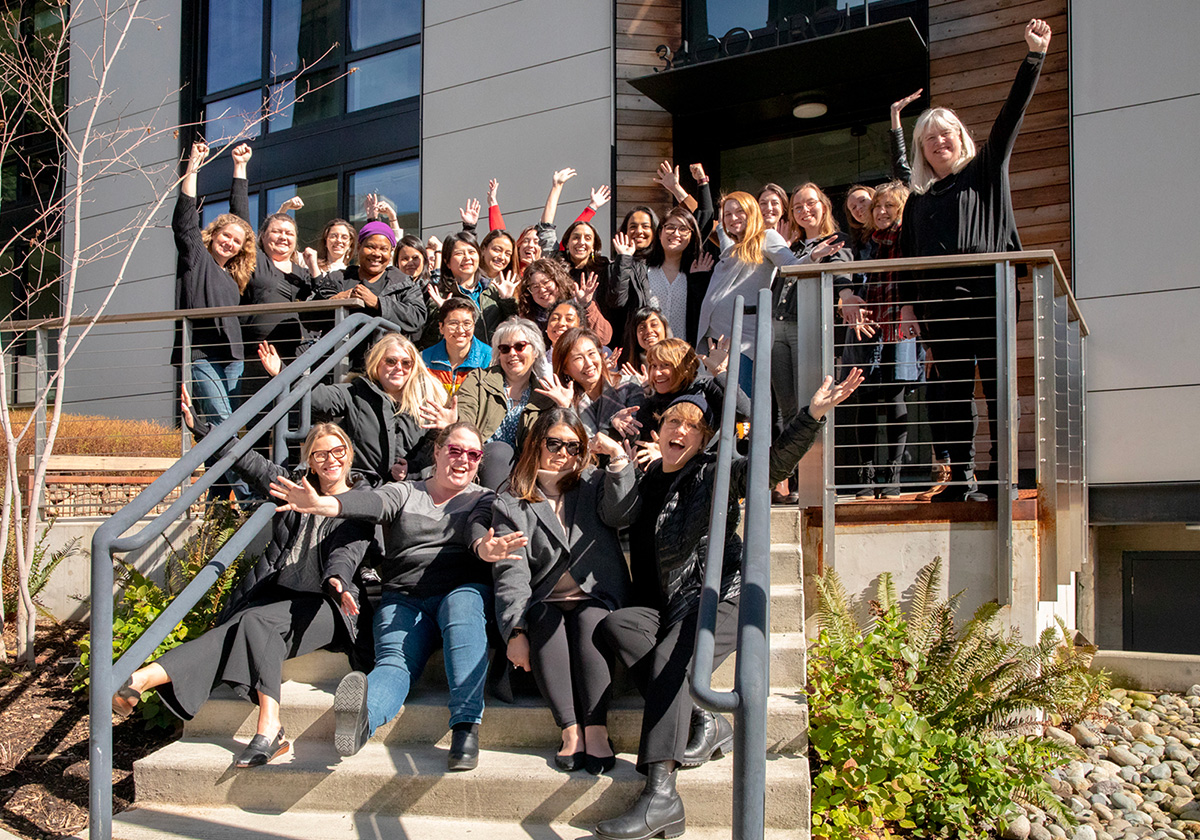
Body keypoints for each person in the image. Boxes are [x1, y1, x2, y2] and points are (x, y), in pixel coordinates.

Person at [592, 369, 863, 840]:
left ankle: (661, 796)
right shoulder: (650, 475)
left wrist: (812, 415)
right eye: (674, 422)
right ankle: (703, 717)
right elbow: (617, 514)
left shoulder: (713, 474)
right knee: (615, 625)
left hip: (719, 596)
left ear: (705, 440)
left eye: (693, 427)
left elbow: (769, 466)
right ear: (659, 431)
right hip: (673, 602)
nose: (680, 431)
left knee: (674, 663)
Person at [112, 409, 375, 768]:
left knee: (252, 623)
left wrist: (338, 580)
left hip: (329, 605)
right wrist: (201, 428)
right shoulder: (293, 486)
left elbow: (348, 550)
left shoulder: (361, 501)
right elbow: (249, 462)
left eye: (338, 451)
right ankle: (140, 680)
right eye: (321, 453)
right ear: (310, 461)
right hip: (282, 596)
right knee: (239, 626)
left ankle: (270, 725)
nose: (331, 460)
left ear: (350, 454)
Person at [270, 422, 497, 771]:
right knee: (393, 663)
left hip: (459, 591)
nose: (463, 460)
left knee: (464, 607)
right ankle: (361, 719)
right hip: (404, 597)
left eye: (473, 454)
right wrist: (326, 504)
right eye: (454, 450)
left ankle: (466, 728)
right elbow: (371, 502)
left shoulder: (482, 498)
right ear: (436, 452)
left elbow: (477, 530)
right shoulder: (405, 491)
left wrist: (484, 547)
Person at [900, 18, 1052, 501]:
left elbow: (1010, 116)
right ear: (922, 150)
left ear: (959, 137)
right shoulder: (917, 200)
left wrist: (1034, 57)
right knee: (951, 395)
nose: (939, 142)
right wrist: (907, 307)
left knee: (997, 389)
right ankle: (960, 478)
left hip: (989, 295)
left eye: (945, 133)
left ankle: (998, 476)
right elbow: (906, 259)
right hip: (938, 306)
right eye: (929, 137)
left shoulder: (984, 171)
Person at [481, 408, 633, 774]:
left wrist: (618, 459)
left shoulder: (595, 483)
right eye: (554, 444)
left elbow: (622, 514)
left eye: (573, 446)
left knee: (590, 624)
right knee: (545, 623)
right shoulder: (511, 501)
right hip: (544, 597)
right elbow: (511, 572)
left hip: (593, 593)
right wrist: (515, 631)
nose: (563, 454)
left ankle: (596, 729)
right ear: (536, 445)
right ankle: (570, 729)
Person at [173, 140, 256, 501]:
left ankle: (219, 501)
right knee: (222, 424)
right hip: (202, 353)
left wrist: (240, 169)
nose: (230, 242)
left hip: (234, 358)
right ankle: (251, 494)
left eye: (237, 241)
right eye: (225, 235)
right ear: (213, 235)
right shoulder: (197, 260)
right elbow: (185, 218)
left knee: (223, 427)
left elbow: (243, 220)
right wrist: (193, 164)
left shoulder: (235, 276)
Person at [696, 192, 837, 397]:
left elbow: (791, 266)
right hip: (715, 338)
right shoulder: (731, 246)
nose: (733, 218)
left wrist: (814, 255)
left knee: (739, 403)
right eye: (728, 214)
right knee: (716, 404)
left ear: (752, 213)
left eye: (739, 212)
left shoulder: (767, 237)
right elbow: (714, 223)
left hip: (743, 340)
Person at [259, 332, 442, 486]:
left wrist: (411, 469)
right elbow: (319, 398)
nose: (398, 368)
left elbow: (432, 449)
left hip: (410, 490)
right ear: (377, 363)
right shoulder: (356, 392)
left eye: (406, 363)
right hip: (365, 489)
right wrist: (282, 373)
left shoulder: (427, 400)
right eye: (391, 361)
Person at [844, 180, 916, 498]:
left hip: (898, 326)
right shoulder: (868, 242)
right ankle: (867, 475)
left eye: (889, 206)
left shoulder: (906, 238)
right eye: (878, 207)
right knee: (866, 398)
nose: (882, 211)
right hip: (870, 328)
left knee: (895, 397)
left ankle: (894, 475)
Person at [423, 317, 556, 490]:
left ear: (536, 351)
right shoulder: (478, 380)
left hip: (527, 472)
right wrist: (455, 424)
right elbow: (466, 414)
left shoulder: (546, 395)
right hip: (482, 467)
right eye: (505, 349)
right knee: (499, 452)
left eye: (519, 346)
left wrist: (565, 407)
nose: (512, 353)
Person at [229, 144, 314, 397]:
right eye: (276, 231)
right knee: (256, 423)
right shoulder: (257, 262)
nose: (283, 236)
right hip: (256, 356)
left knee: (294, 420)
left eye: (289, 233)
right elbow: (240, 220)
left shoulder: (304, 273)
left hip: (296, 358)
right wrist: (240, 168)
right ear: (263, 237)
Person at [313, 221, 428, 358]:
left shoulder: (404, 283)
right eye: (370, 247)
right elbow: (310, 318)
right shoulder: (338, 279)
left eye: (383, 249)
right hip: (336, 366)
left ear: (391, 252)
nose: (376, 254)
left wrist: (378, 303)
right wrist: (340, 299)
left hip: (385, 367)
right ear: (359, 247)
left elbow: (417, 318)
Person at [610, 206, 714, 351]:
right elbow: (617, 301)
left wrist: (699, 280)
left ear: (691, 236)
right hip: (647, 356)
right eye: (670, 227)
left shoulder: (696, 272)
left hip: (683, 355)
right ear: (660, 233)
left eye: (683, 229)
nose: (676, 233)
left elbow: (704, 315)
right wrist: (624, 259)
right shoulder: (642, 270)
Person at [630, 337, 746, 445]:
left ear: (685, 367)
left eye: (665, 365)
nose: (656, 373)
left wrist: (720, 373)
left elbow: (745, 412)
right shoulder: (650, 406)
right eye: (654, 366)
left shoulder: (706, 387)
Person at [540, 327, 643, 438]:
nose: (589, 363)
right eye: (578, 358)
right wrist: (566, 407)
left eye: (592, 354)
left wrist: (615, 423)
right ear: (565, 368)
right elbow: (571, 444)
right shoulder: (564, 400)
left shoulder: (628, 385)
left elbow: (637, 434)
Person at [429, 231, 518, 343]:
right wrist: (444, 313)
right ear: (447, 262)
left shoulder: (493, 290)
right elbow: (432, 342)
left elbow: (514, 328)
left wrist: (507, 301)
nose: (467, 257)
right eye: (459, 253)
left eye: (472, 252)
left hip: (495, 357)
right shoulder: (439, 295)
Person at [517, 257, 611, 345]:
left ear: (558, 281)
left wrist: (586, 305)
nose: (542, 290)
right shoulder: (526, 315)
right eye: (535, 287)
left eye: (546, 282)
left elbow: (603, 339)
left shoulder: (577, 301)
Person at [421, 297, 492, 395]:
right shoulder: (424, 360)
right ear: (441, 327)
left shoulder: (488, 359)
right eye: (453, 323)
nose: (460, 330)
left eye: (467, 324)